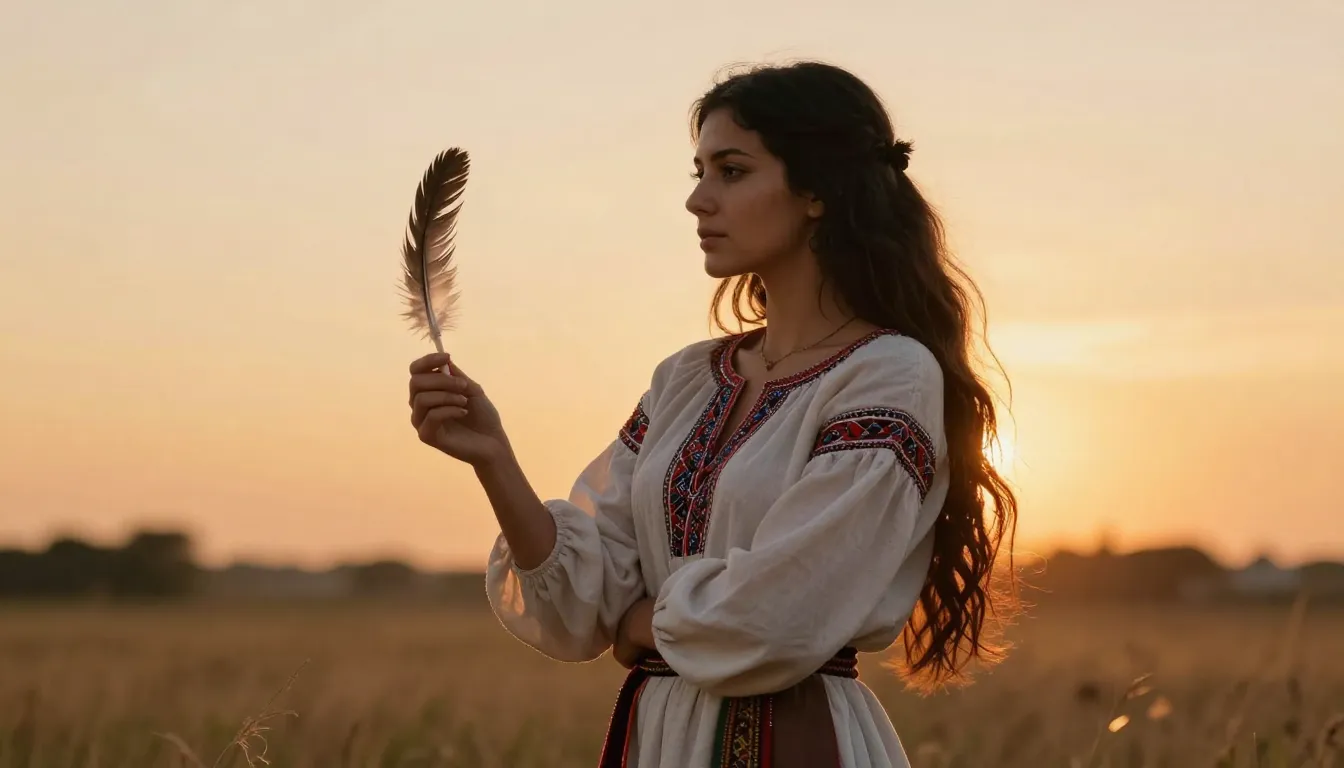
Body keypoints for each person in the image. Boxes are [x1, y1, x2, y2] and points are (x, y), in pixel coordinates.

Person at [406, 60, 1018, 768]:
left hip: (792, 738)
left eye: (731, 171)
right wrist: (495, 459)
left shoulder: (888, 374)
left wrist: (643, 622)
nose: (698, 200)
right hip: (658, 738)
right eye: (697, 172)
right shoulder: (688, 379)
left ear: (816, 190)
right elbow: (581, 607)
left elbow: (782, 616)